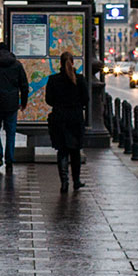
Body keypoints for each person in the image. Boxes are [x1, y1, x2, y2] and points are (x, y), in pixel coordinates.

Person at [0, 41, 30, 171]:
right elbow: (24, 85)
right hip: (12, 103)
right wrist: (23, 102)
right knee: (10, 132)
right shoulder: (17, 65)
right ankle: (9, 159)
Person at [46, 51, 88, 191]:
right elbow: (86, 99)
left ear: (60, 63)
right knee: (75, 151)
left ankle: (64, 182)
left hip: (59, 118)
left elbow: (49, 100)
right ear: (73, 62)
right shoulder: (80, 79)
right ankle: (76, 181)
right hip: (75, 118)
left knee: (62, 151)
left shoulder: (54, 79)